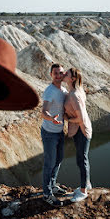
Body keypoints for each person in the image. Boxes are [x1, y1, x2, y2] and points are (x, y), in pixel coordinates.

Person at [40, 63, 68, 206]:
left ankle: (52, 185)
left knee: (58, 160)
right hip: (50, 133)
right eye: (56, 73)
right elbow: (43, 112)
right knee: (49, 163)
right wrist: (52, 119)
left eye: (61, 73)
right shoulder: (49, 91)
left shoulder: (63, 90)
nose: (58, 76)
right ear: (51, 75)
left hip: (59, 132)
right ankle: (47, 194)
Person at [63, 68, 92, 202]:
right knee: (82, 158)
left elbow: (80, 118)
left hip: (81, 129)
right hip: (79, 129)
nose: (64, 75)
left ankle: (83, 191)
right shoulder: (73, 91)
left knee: (82, 160)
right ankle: (86, 184)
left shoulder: (74, 95)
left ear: (72, 79)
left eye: (67, 74)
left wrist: (67, 119)